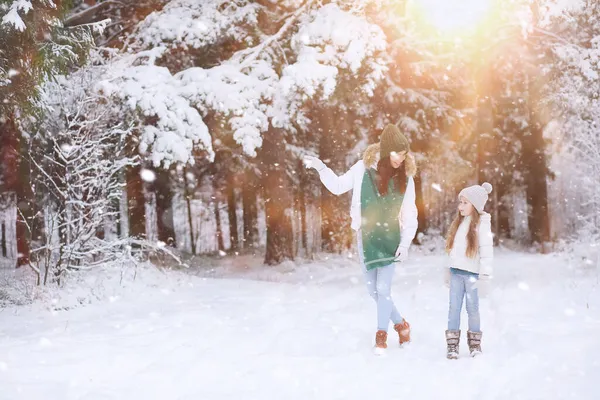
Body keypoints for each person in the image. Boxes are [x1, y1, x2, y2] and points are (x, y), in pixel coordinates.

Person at [304, 124, 418, 353]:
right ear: (386, 151)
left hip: (390, 237)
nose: (401, 159)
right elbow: (337, 187)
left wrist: (405, 244)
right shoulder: (361, 169)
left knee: (383, 290)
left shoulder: (406, 179)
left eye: (404, 154)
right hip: (365, 237)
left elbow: (410, 214)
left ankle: (381, 336)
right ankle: (401, 324)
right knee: (373, 291)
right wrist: (321, 167)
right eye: (397, 154)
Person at [444, 182, 494, 359]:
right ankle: (452, 346)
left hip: (472, 275)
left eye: (465, 203)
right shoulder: (458, 223)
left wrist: (485, 277)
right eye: (460, 202)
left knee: (472, 309)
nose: (461, 206)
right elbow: (452, 250)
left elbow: (487, 253)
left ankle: (475, 345)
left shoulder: (482, 224)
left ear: (476, 205)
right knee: (453, 309)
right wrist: (447, 270)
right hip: (456, 273)